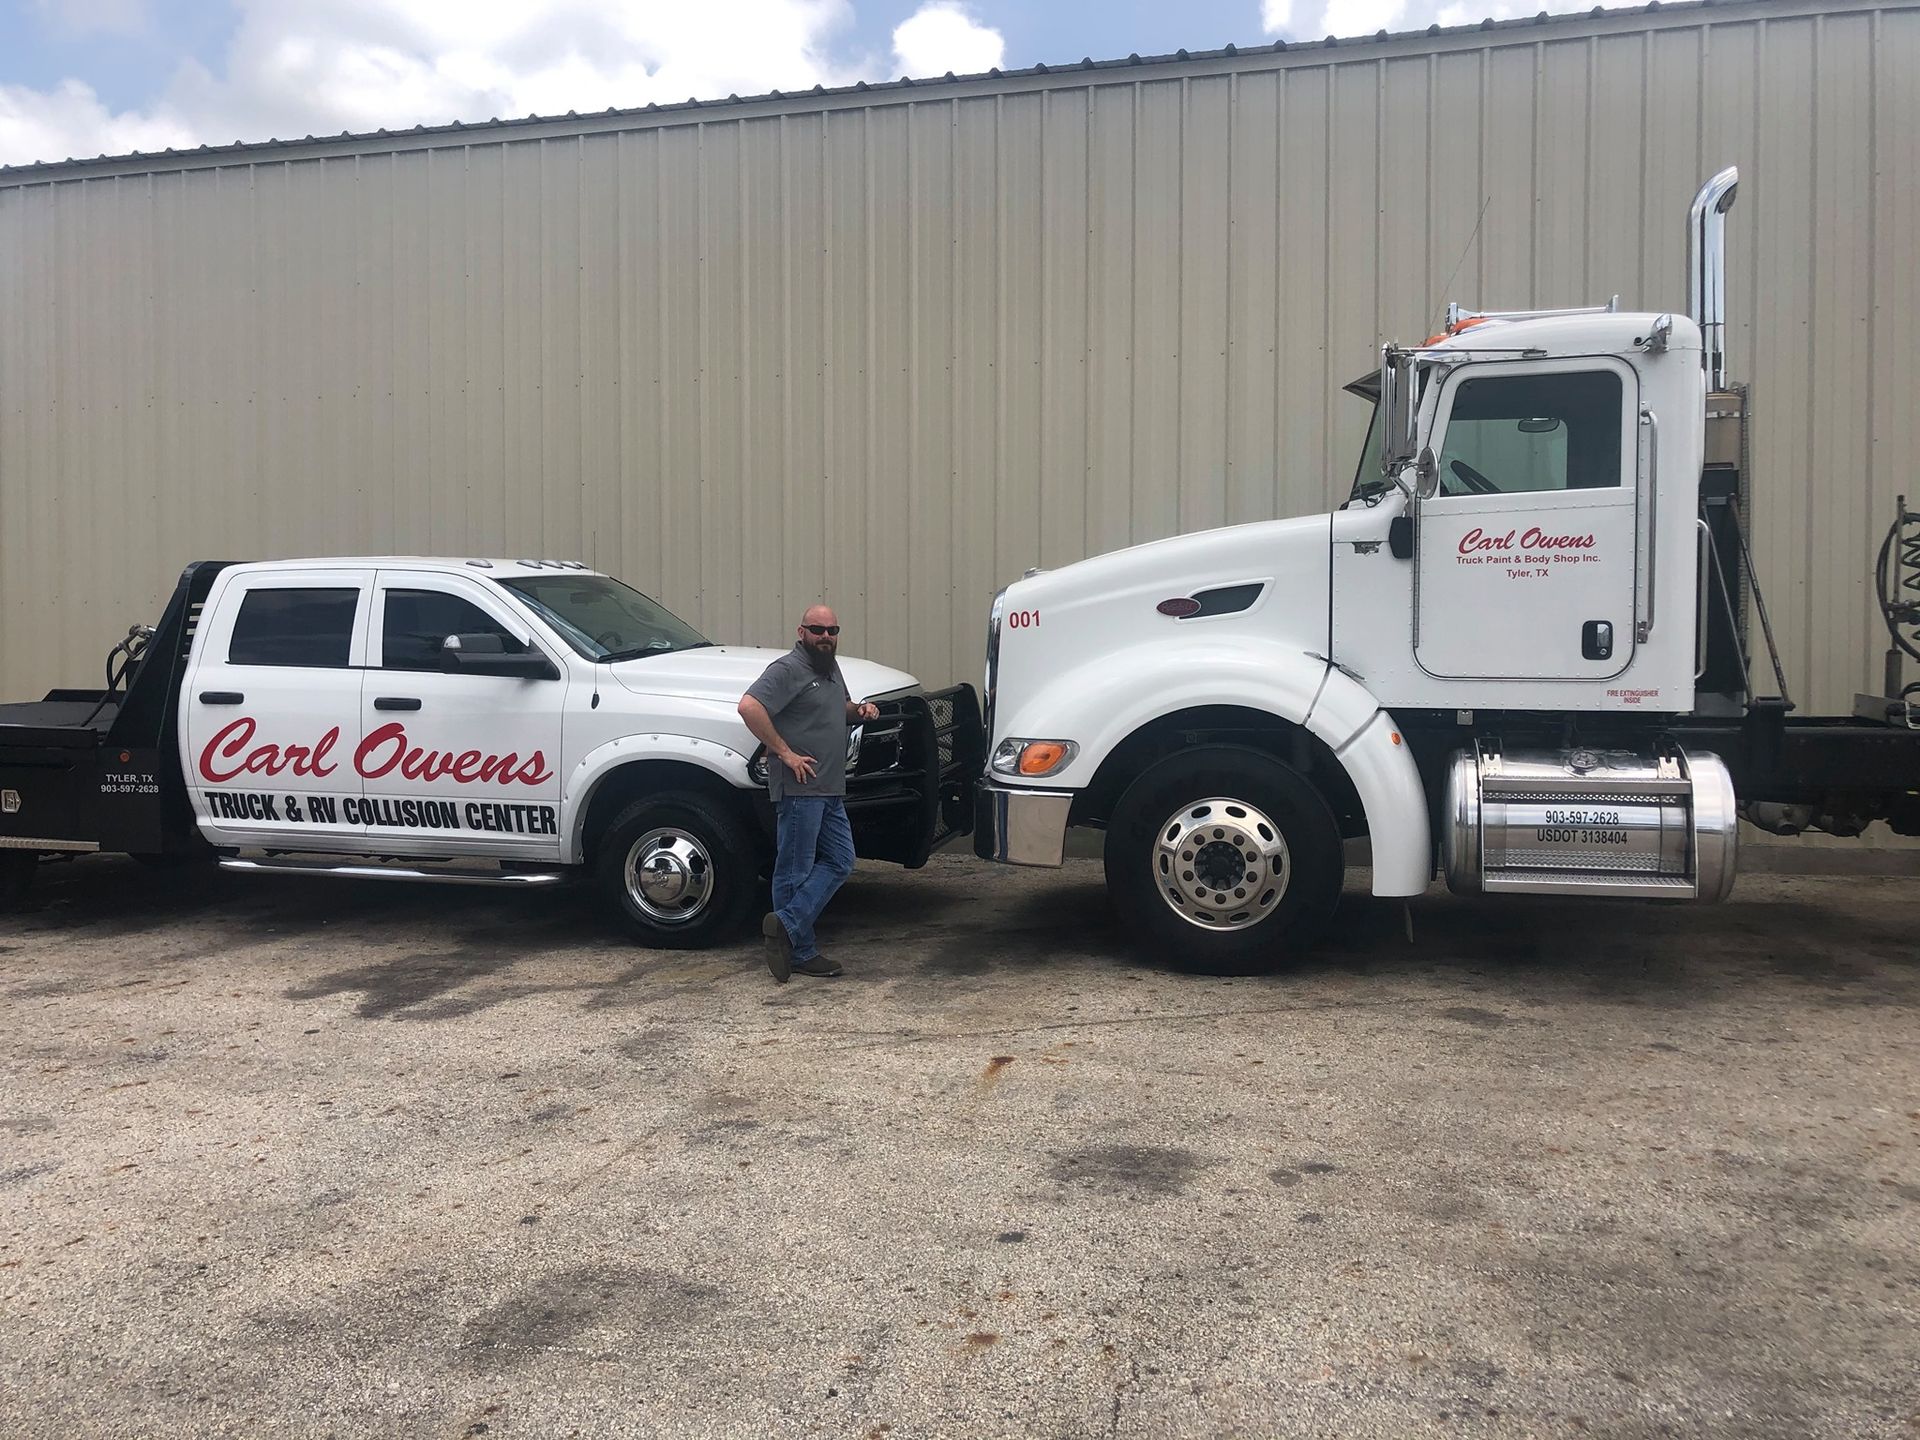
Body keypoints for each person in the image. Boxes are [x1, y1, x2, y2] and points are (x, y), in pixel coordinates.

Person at [738, 605, 880, 982]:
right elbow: (748, 707)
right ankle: (800, 949)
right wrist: (784, 753)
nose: (826, 636)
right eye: (818, 630)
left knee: (841, 860)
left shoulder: (828, 667)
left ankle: (785, 923)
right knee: (794, 870)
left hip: (830, 786)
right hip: (801, 788)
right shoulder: (787, 670)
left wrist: (860, 710)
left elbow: (838, 709)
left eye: (833, 629)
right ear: (801, 631)